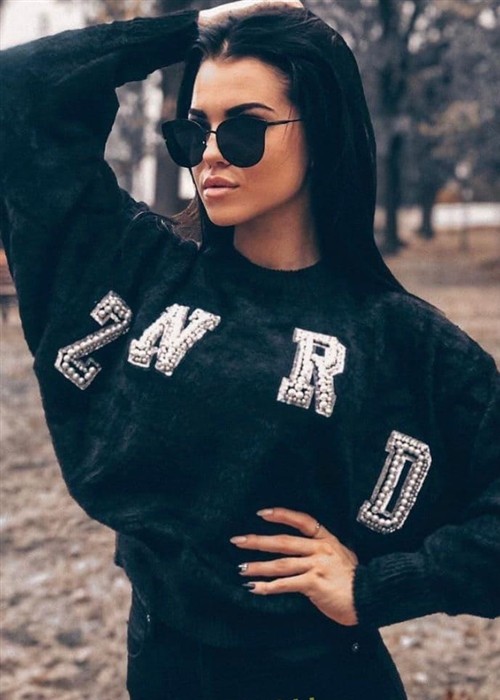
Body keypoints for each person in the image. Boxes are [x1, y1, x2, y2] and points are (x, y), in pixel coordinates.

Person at [0, 1, 498, 699]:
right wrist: (192, 26)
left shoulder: (404, 342)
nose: (209, 153)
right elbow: (19, 91)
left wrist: (380, 586)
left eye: (244, 129)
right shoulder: (143, 270)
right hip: (161, 669)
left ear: (322, 131)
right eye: (193, 130)